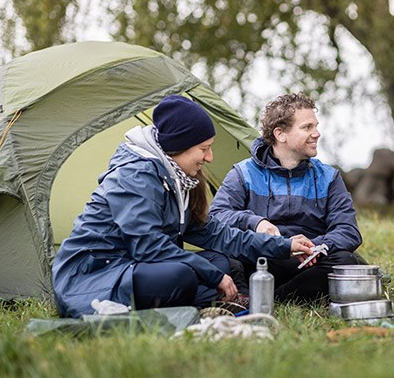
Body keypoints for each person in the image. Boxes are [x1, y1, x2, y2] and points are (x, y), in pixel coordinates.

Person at [52, 95, 316, 318]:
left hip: (133, 266)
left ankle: (202, 301)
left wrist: (284, 246)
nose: (210, 157)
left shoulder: (177, 180)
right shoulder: (134, 176)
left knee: (219, 260)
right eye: (204, 148)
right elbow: (148, 246)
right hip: (94, 276)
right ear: (178, 146)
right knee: (181, 276)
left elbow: (219, 234)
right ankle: (200, 299)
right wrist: (212, 277)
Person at [210, 92, 362, 303]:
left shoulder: (329, 177)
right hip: (260, 259)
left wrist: (314, 246)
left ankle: (277, 298)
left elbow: (348, 231)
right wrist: (256, 223)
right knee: (226, 252)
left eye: (316, 126)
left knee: (346, 260)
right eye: (307, 127)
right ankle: (244, 299)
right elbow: (216, 216)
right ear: (280, 134)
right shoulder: (243, 173)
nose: (317, 134)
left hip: (306, 262)